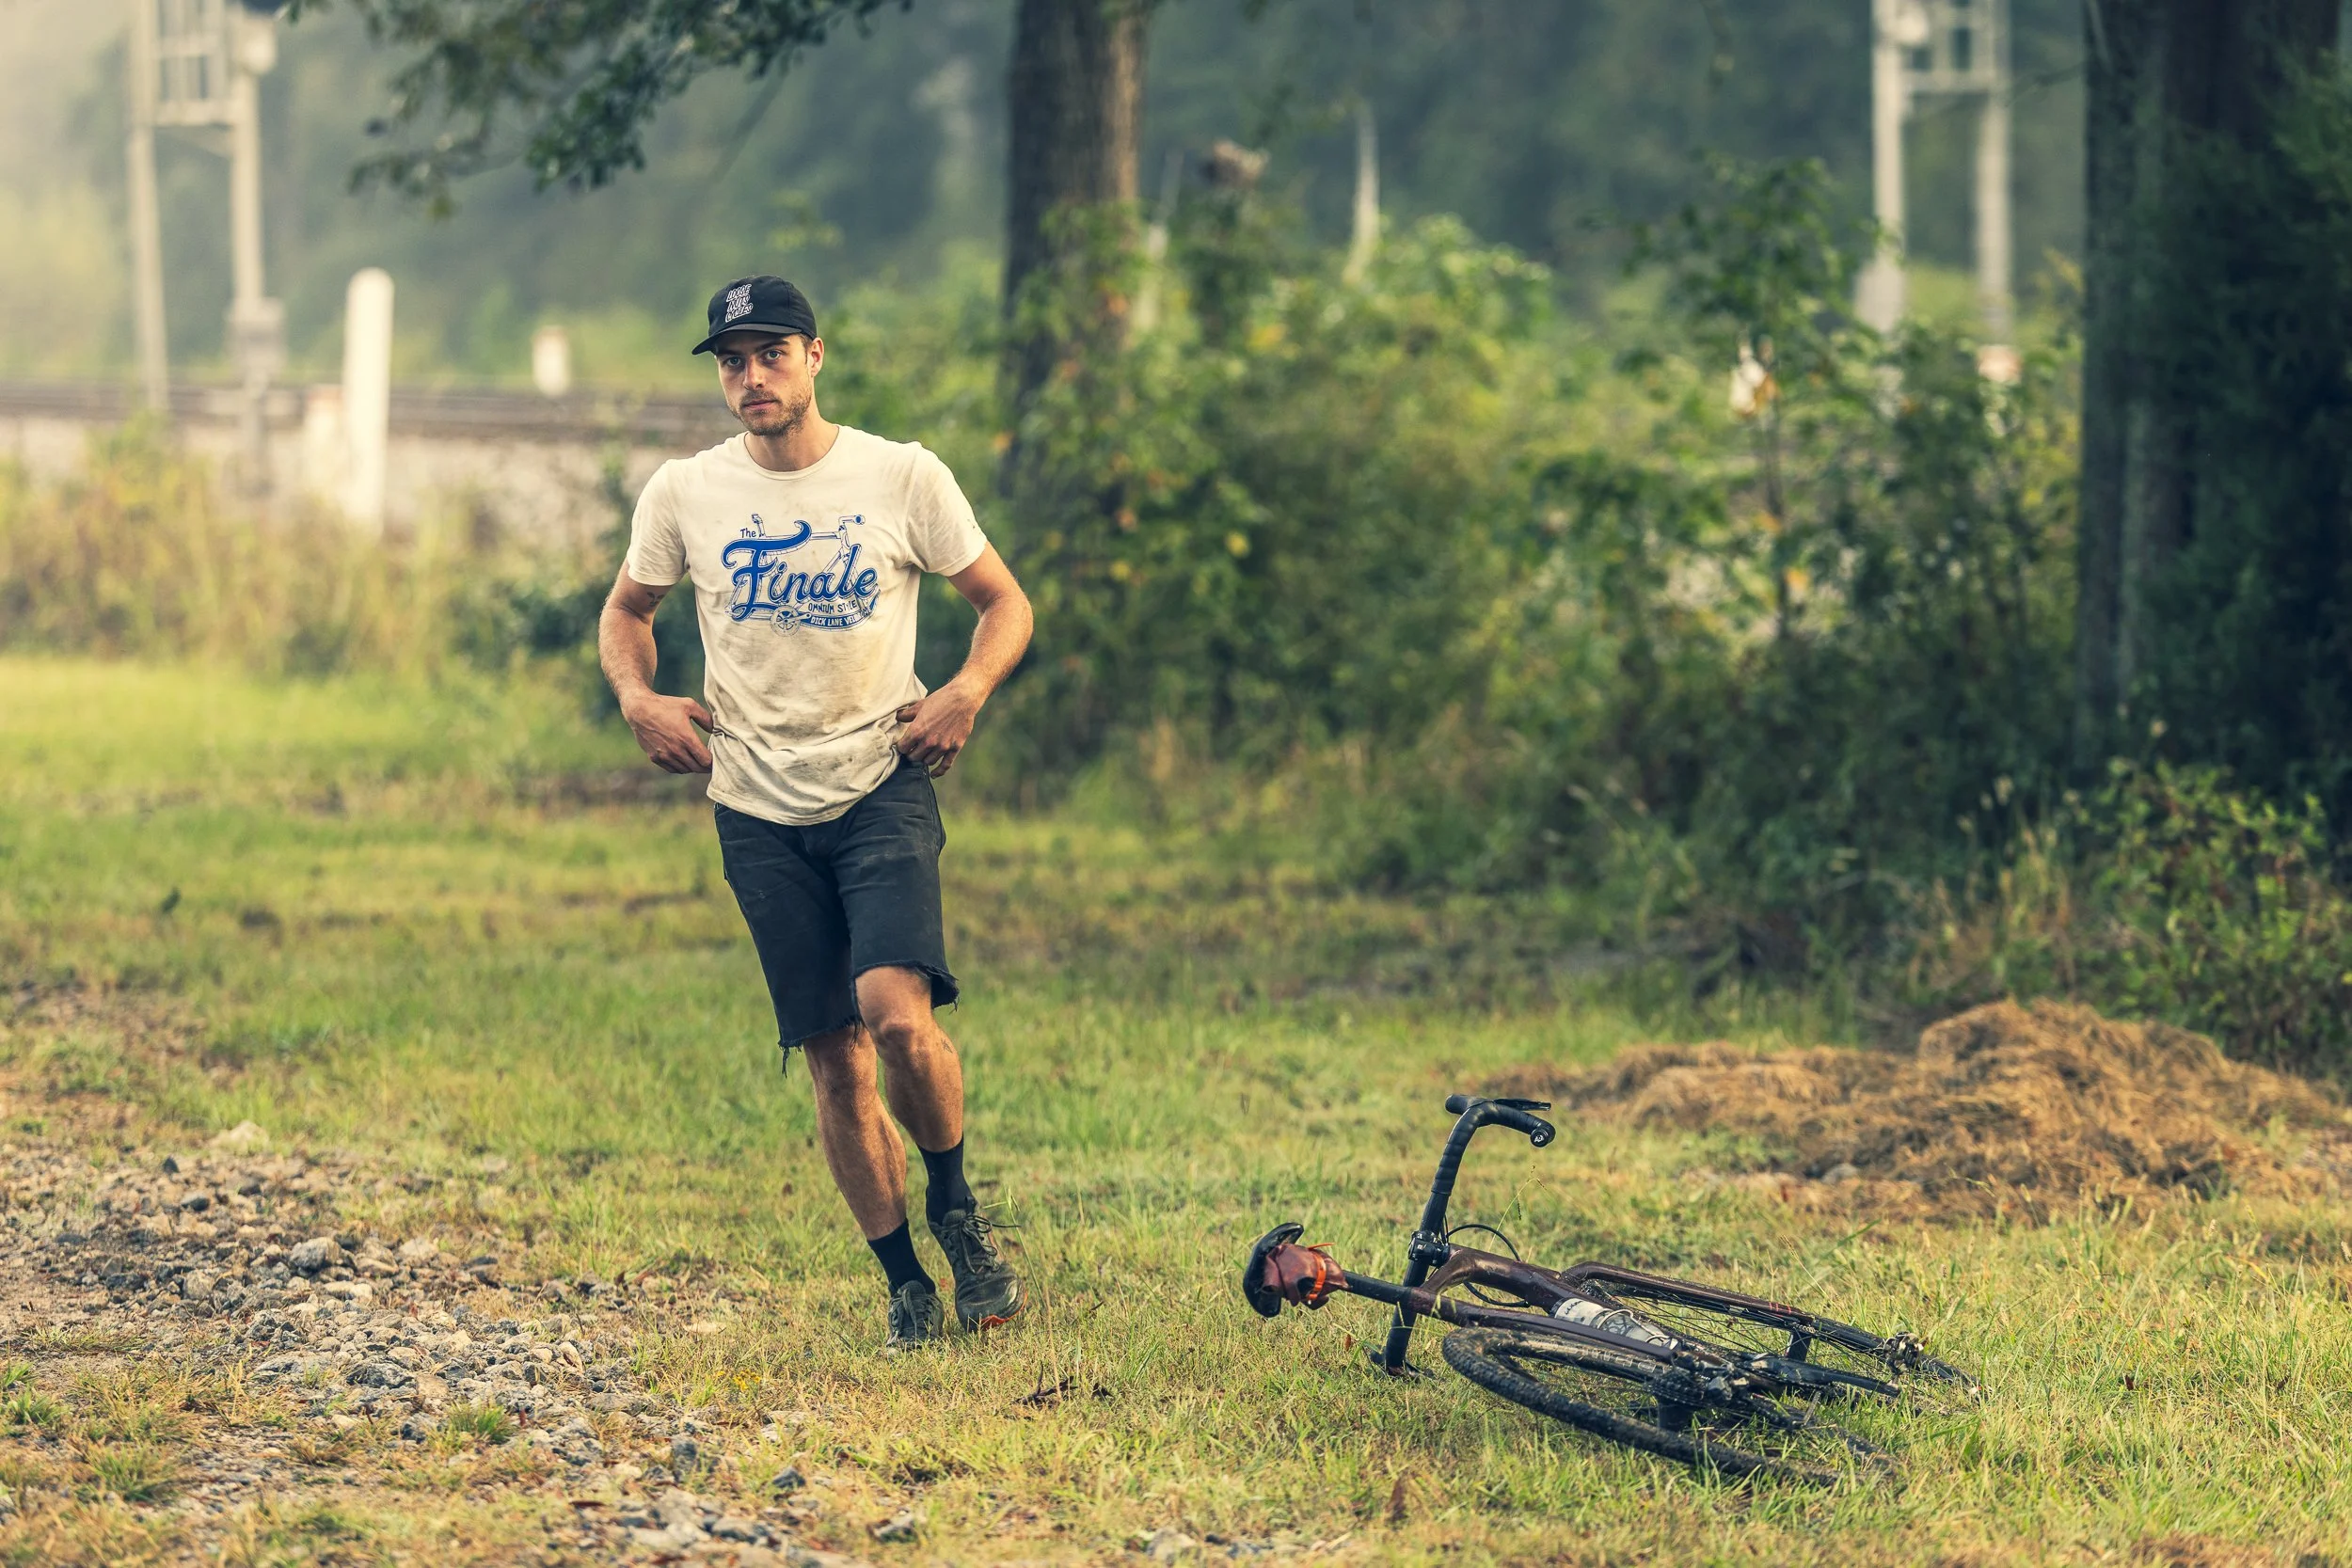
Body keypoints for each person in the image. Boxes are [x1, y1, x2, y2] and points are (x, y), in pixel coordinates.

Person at [597, 275, 1033, 1351]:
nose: (751, 377)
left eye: (770, 354)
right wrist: (638, 696)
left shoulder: (900, 475)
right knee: (835, 1056)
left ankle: (956, 1207)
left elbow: (1003, 601)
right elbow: (627, 610)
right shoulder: (685, 493)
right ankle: (903, 1282)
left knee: (896, 1017)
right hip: (753, 801)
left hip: (881, 778)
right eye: (731, 361)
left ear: (814, 356)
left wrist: (965, 690)